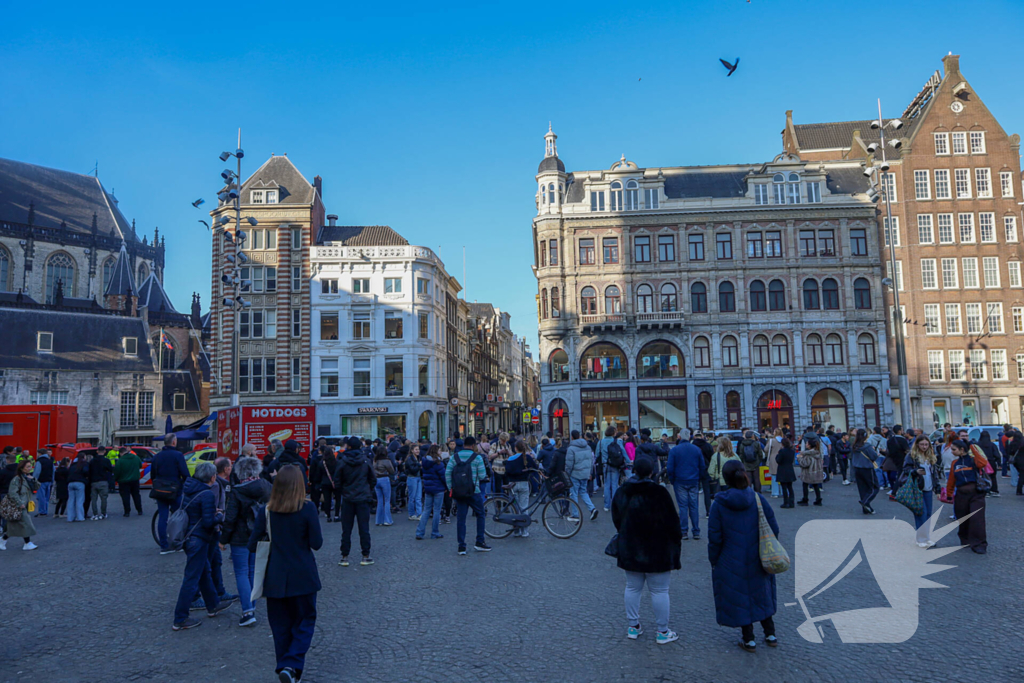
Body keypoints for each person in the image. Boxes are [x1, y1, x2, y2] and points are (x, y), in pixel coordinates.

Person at [247, 465, 323, 682]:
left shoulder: (266, 511)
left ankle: (286, 667)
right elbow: (316, 543)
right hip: (303, 574)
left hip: (275, 576)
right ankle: (292, 665)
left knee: (280, 627)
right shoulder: (307, 508)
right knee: (305, 620)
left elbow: (252, 545)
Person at [708, 460, 779, 652]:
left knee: (740, 597)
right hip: (758, 555)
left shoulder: (719, 504)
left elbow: (715, 538)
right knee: (761, 593)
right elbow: (773, 527)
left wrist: (714, 560)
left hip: (731, 558)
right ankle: (770, 633)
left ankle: (749, 639)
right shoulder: (757, 499)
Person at [610, 456, 681, 644]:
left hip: (631, 546)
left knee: (632, 587)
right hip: (658, 548)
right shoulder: (660, 493)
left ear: (634, 471)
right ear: (652, 472)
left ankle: (633, 626)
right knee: (660, 591)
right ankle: (662, 631)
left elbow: (616, 517)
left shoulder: (623, 491)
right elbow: (673, 522)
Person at [171, 462, 233, 631]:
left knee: (204, 571)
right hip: (198, 538)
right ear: (212, 477)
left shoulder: (189, 488)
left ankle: (213, 604)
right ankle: (180, 618)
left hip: (189, 535)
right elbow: (208, 522)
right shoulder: (206, 494)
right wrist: (219, 516)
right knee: (192, 578)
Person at [220, 456, 272, 627]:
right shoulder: (267, 487)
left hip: (240, 537)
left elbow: (230, 518)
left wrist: (223, 539)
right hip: (260, 536)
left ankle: (248, 611)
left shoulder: (237, 491)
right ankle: (252, 607)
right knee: (252, 572)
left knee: (242, 572)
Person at [445, 436, 491, 555]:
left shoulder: (454, 457)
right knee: (480, 514)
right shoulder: (477, 458)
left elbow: (447, 473)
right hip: (474, 491)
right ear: (473, 445)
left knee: (461, 519)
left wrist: (451, 488)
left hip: (459, 492)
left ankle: (462, 546)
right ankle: (479, 542)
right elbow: (482, 476)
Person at [336, 437, 376, 566]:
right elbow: (373, 479)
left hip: (348, 497)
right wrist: (367, 489)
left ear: (348, 446)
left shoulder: (342, 461)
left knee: (346, 529)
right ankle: (366, 555)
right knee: (364, 528)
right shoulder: (365, 460)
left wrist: (344, 490)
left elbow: (337, 480)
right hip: (363, 497)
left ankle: (344, 556)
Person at [946, 439, 988, 554]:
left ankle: (979, 544)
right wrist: (949, 493)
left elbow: (983, 463)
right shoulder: (955, 463)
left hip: (976, 493)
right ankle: (965, 539)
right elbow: (951, 479)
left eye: (954, 450)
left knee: (977, 519)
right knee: (962, 518)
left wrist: (972, 446)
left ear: (962, 449)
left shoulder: (974, 460)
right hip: (961, 494)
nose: (952, 452)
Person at [151, 434, 189, 552]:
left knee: (163, 517)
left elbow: (153, 474)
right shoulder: (178, 455)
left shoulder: (157, 456)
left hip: (160, 490)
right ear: (174, 442)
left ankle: (164, 545)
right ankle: (177, 542)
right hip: (175, 490)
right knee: (178, 517)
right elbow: (185, 473)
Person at [902, 435, 941, 548]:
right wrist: (915, 471)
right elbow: (905, 469)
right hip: (917, 488)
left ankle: (926, 537)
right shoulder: (912, 456)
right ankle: (921, 539)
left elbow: (935, 474)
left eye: (926, 444)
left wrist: (937, 489)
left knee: (928, 514)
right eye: (922, 444)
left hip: (928, 488)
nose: (924, 447)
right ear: (917, 444)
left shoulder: (930, 456)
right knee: (921, 513)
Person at [666, 428, 704, 541]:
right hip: (693, 480)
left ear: (680, 437)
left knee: (683, 507)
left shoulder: (674, 450)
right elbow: (702, 466)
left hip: (680, 480)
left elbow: (670, 468)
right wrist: (699, 479)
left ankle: (684, 531)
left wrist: (672, 480)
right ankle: (696, 531)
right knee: (694, 506)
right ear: (690, 437)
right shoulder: (696, 450)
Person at [503, 440, 539, 538]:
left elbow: (507, 471)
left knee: (514, 508)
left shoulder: (510, 459)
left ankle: (516, 530)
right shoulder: (527, 457)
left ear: (515, 448)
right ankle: (524, 531)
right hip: (524, 484)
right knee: (524, 507)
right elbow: (535, 467)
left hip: (513, 485)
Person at [3, 458, 39, 550]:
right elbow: (12, 492)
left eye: (30, 466)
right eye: (27, 466)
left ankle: (3, 540)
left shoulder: (27, 477)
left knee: (15, 525)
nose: (30, 468)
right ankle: (27, 543)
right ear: (22, 468)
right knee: (26, 523)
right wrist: (19, 503)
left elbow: (37, 486)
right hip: (20, 505)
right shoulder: (17, 479)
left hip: (25, 504)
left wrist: (34, 479)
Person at [565, 430, 599, 521]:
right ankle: (592, 509)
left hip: (575, 474)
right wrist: (590, 473)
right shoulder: (587, 447)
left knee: (574, 493)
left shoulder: (571, 448)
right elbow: (591, 461)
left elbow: (569, 464)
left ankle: (575, 514)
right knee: (583, 492)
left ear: (572, 437)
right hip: (585, 473)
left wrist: (566, 474)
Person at [416, 445, 447, 540]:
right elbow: (443, 476)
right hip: (438, 488)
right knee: (437, 510)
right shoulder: (438, 463)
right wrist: (447, 486)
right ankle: (435, 532)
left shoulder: (425, 462)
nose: (441, 452)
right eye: (440, 450)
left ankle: (419, 532)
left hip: (428, 488)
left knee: (426, 510)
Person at [850, 428, 881, 514]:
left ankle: (866, 508)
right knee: (874, 487)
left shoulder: (854, 446)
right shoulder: (867, 446)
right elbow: (874, 456)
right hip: (867, 468)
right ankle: (865, 502)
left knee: (863, 489)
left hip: (857, 468)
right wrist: (875, 452)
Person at [114, 447, 143, 517]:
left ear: (121, 453)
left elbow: (117, 472)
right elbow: (140, 465)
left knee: (125, 497)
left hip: (123, 481)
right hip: (135, 480)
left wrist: (116, 479)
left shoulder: (120, 461)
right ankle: (139, 510)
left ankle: (127, 512)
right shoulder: (136, 457)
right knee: (136, 495)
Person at [796, 434, 823, 506]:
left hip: (809, 472)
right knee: (816, 485)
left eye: (807, 443)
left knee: (805, 484)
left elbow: (805, 464)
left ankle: (805, 499)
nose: (806, 444)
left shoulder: (808, 454)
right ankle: (818, 499)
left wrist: (799, 458)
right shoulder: (817, 452)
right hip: (816, 471)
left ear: (809, 445)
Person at [89, 444, 113, 520]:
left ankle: (95, 514)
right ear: (105, 451)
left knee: (94, 499)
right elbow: (110, 470)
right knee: (104, 499)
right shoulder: (106, 460)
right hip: (103, 481)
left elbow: (89, 471)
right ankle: (103, 513)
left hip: (94, 481)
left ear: (97, 451)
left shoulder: (92, 461)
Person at [372, 446, 395, 526]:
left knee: (380, 500)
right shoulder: (386, 460)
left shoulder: (374, 460)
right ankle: (387, 520)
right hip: (384, 479)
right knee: (387, 500)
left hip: (376, 480)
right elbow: (392, 470)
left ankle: (379, 520)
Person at [884, 425, 909, 495]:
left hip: (893, 459)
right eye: (902, 430)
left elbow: (888, 450)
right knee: (901, 475)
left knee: (897, 474)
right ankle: (895, 491)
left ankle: (896, 489)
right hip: (902, 459)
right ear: (899, 431)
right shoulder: (902, 440)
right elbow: (907, 450)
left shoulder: (890, 440)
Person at [67, 450, 90, 523]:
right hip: (80, 483)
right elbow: (86, 471)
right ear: (84, 457)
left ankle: (70, 518)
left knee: (71, 501)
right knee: (79, 501)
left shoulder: (72, 464)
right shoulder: (84, 463)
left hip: (70, 483)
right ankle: (80, 517)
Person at [976, 431, 1000, 497]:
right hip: (991, 462)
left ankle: (986, 490)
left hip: (981, 463)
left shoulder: (978, 445)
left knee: (983, 477)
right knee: (993, 477)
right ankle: (994, 490)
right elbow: (997, 455)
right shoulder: (992, 445)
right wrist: (998, 462)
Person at [774, 438, 797, 508]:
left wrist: (777, 455)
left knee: (784, 487)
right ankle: (791, 502)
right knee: (790, 487)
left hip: (782, 470)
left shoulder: (782, 451)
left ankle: (786, 502)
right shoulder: (792, 451)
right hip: (790, 469)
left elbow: (778, 460)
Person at [404, 445, 423, 521]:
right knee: (412, 497)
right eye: (416, 449)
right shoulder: (409, 459)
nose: (418, 451)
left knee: (418, 497)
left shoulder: (418, 458)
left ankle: (419, 514)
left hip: (417, 477)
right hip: (412, 478)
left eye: (418, 449)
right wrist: (419, 465)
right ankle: (411, 514)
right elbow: (412, 469)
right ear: (412, 450)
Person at [33, 449, 54, 517]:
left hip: (41, 481)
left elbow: (37, 472)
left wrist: (34, 480)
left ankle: (42, 511)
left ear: (40, 453)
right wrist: (52, 480)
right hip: (49, 480)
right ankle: (46, 510)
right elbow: (53, 472)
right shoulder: (50, 461)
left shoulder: (39, 461)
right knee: (46, 497)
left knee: (41, 497)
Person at [764, 429, 783, 499]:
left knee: (774, 476)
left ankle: (775, 492)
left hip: (773, 458)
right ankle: (784, 492)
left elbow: (766, 449)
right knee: (782, 476)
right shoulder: (783, 440)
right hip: (782, 458)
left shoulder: (772, 440)